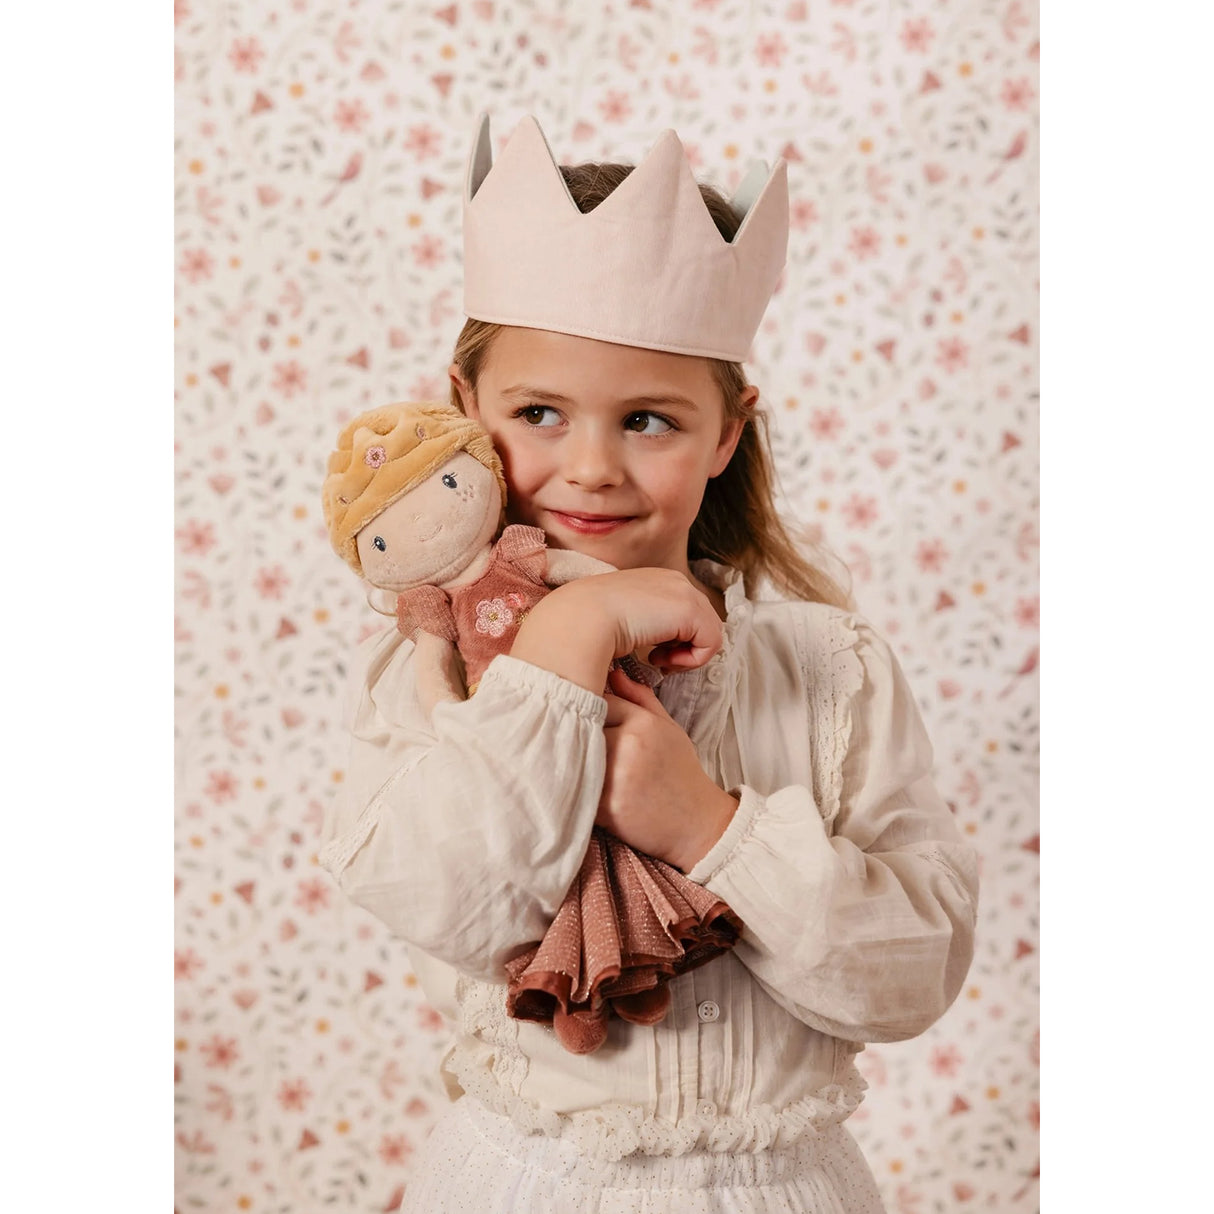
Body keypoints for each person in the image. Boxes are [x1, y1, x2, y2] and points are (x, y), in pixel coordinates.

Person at [319, 113, 979, 1214]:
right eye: (538, 411)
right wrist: (569, 641)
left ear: (726, 431)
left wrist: (714, 829)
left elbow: (906, 977)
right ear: (464, 412)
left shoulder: (830, 666)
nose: (591, 466)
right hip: (524, 1185)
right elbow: (462, 907)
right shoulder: (425, 664)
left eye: (648, 420)